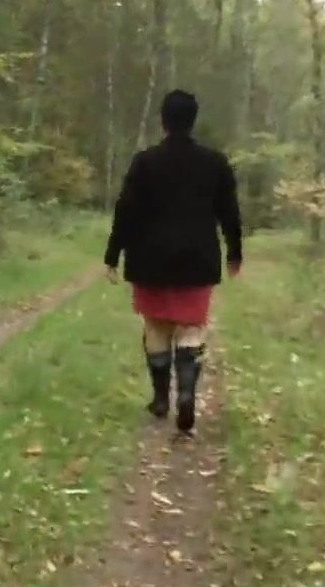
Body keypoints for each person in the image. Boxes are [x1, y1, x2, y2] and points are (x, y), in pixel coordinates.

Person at [104, 89, 243, 436]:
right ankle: (186, 394)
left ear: (163, 121)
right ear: (193, 120)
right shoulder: (215, 163)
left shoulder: (145, 162)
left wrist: (112, 254)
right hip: (198, 260)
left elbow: (125, 210)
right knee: (191, 328)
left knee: (156, 327)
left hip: (149, 260)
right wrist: (234, 252)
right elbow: (229, 212)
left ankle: (160, 398)